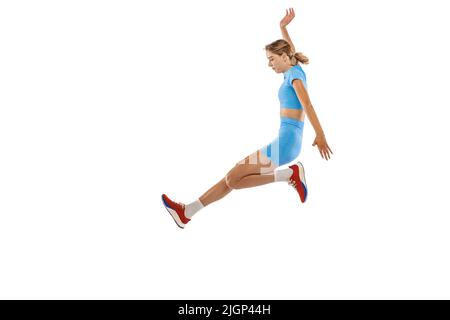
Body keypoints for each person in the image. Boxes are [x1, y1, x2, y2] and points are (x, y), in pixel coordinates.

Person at [162, 8, 333, 229]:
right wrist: (282, 28)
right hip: (287, 141)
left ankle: (290, 174)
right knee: (232, 178)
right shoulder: (293, 69)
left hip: (286, 143)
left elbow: (308, 104)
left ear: (283, 57)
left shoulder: (294, 77)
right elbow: (291, 51)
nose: (269, 64)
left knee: (234, 179)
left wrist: (320, 135)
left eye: (271, 59)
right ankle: (186, 212)